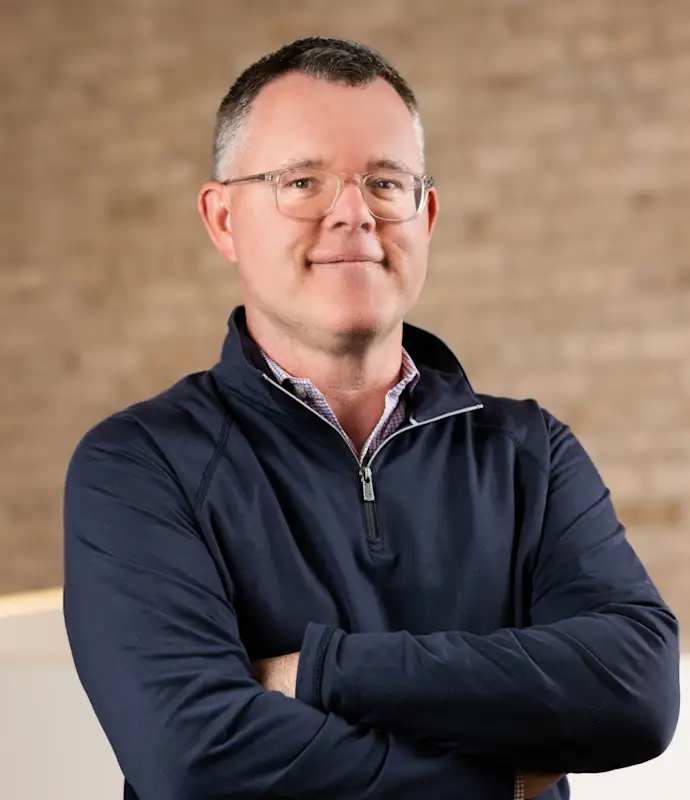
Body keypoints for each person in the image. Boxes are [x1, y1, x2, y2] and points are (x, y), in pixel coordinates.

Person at [63, 37, 680, 800]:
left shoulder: (531, 454)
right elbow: (195, 759)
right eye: (301, 182)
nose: (353, 215)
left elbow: (636, 692)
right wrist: (488, 777)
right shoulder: (139, 465)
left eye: (386, 184)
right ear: (223, 220)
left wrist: (320, 672)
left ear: (426, 214)